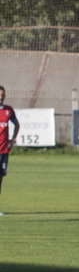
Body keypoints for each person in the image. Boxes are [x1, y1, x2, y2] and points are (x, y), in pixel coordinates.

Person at [0, 85, 20, 215]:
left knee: (0, 180)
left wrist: (12, 140)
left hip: (3, 151)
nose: (1, 98)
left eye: (2, 95)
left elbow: (17, 124)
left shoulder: (8, 110)